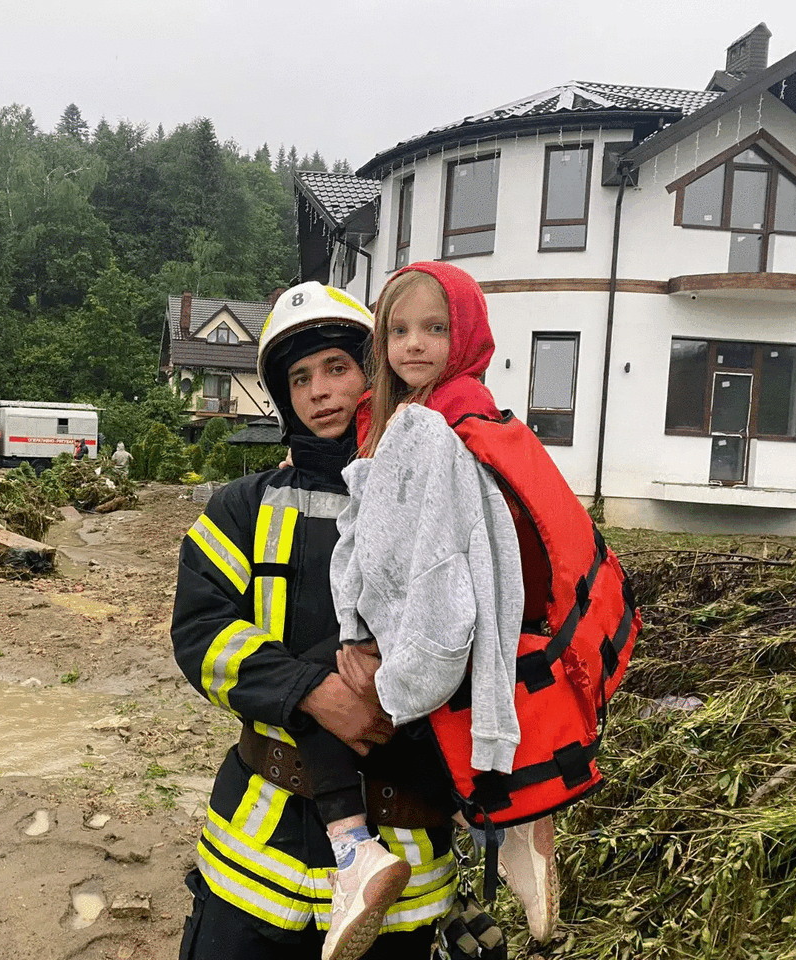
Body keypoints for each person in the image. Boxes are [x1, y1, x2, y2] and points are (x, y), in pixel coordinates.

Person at [171, 282, 458, 960]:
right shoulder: (241, 507)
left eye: (337, 367)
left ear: (373, 373)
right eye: (299, 377)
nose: (320, 391)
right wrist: (315, 693)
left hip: (404, 864)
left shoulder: (436, 492)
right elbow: (201, 634)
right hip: (255, 857)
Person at [295, 260, 525, 960]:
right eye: (398, 331)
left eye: (434, 328)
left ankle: (352, 849)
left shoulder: (431, 425)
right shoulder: (442, 418)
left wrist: (369, 637)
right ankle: (514, 825)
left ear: (466, 336)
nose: (414, 344)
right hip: (454, 645)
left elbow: (414, 552)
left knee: (314, 686)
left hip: (423, 637)